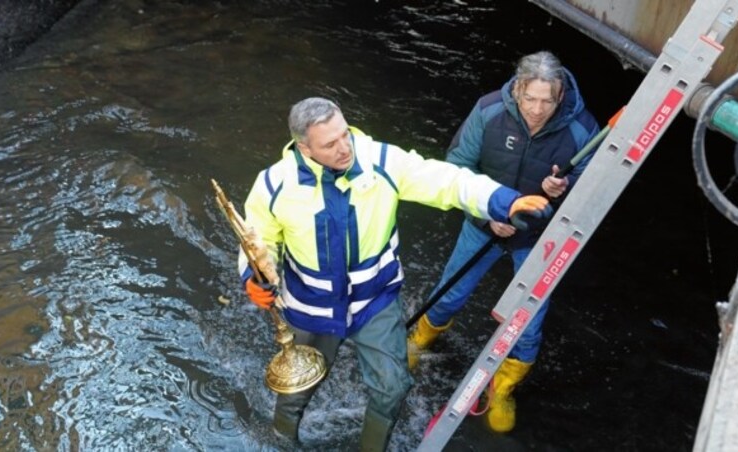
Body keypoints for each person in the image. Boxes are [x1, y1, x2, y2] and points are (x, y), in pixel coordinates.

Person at [238, 96, 551, 451]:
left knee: (393, 388)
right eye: (330, 144)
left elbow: (444, 180)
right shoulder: (273, 185)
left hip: (375, 302)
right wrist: (253, 276)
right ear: (304, 149)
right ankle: (282, 443)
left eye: (345, 135)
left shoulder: (381, 161)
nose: (345, 149)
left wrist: (503, 200)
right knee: (295, 389)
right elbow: (256, 239)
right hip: (311, 310)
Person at [407, 50, 600, 434]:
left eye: (547, 100)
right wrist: (488, 214)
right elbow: (457, 166)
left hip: (539, 237)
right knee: (450, 293)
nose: (538, 109)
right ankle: (419, 340)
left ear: (560, 96)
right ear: (517, 88)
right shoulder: (489, 111)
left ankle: (503, 387)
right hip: (485, 222)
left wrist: (563, 190)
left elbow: (592, 191)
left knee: (528, 324)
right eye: (530, 98)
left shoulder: (583, 130)